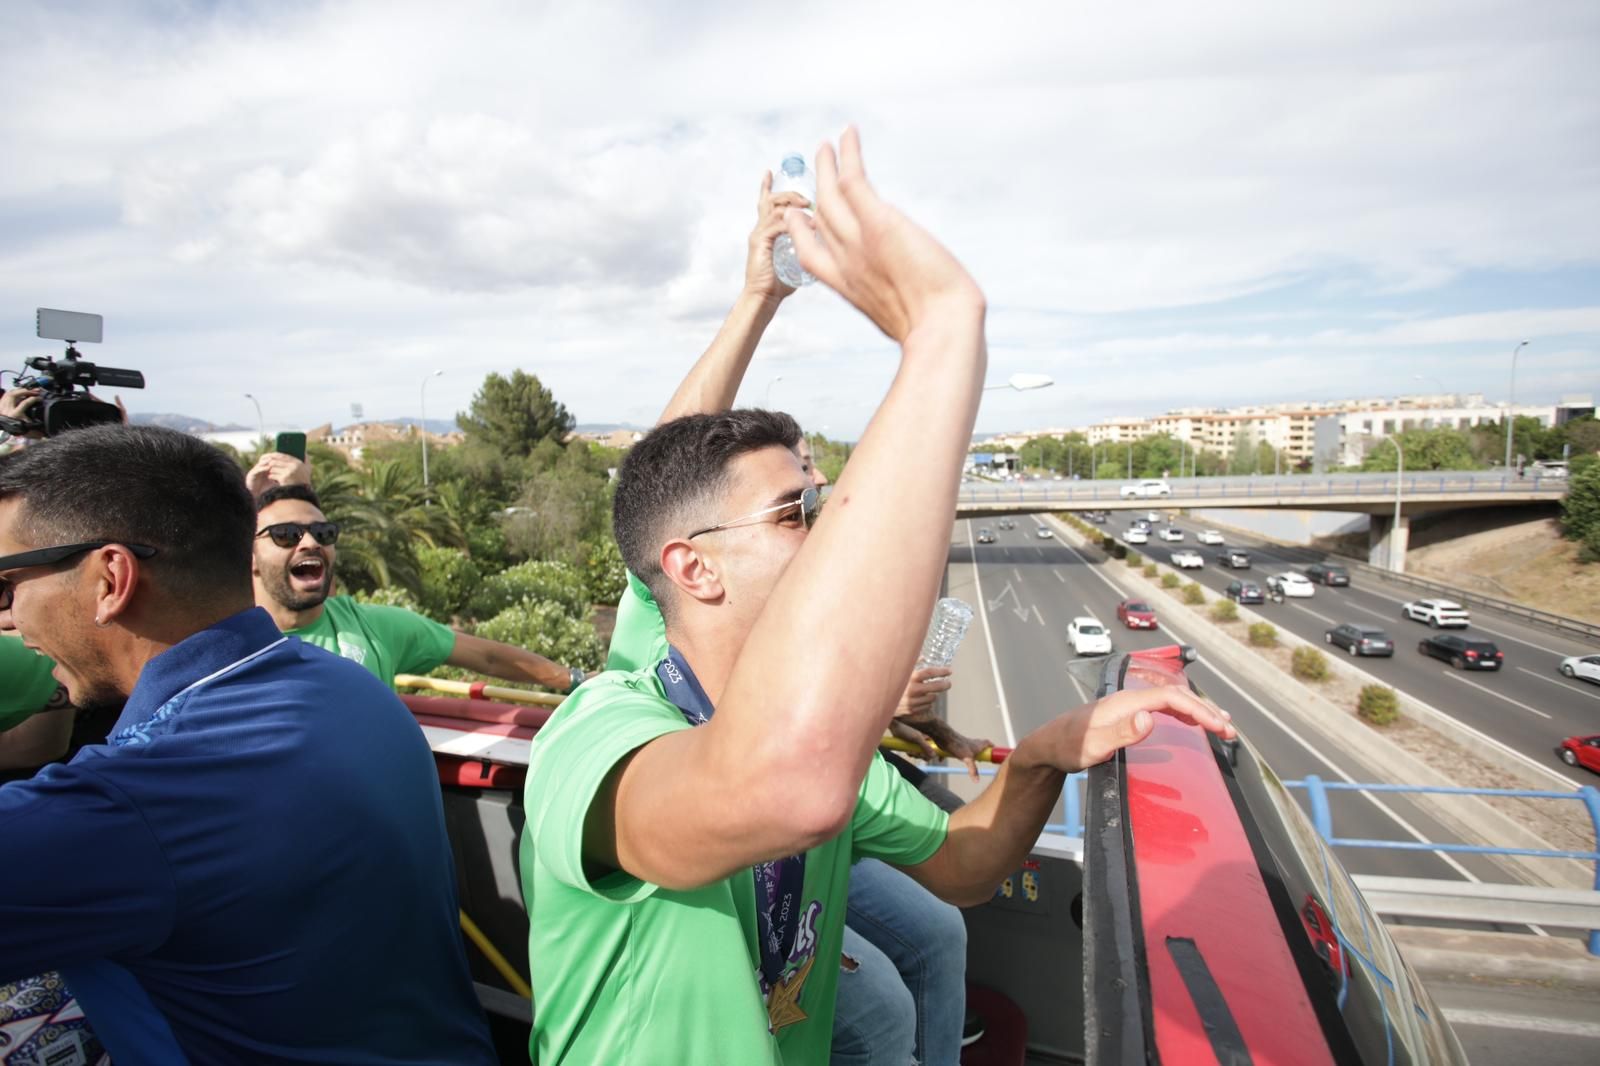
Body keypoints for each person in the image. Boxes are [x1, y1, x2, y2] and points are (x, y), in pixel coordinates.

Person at [519, 129, 1234, 1065]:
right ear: (693, 570)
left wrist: (1045, 757)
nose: (825, 535)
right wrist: (937, 337)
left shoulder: (830, 751)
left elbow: (967, 867)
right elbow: (777, 773)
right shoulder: (599, 736)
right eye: (795, 513)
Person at [608, 169, 983, 1063]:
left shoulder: (799, 613)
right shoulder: (651, 630)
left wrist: (932, 723)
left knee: (935, 939)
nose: (819, 503)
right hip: (725, 857)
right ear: (692, 564)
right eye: (793, 504)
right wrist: (758, 300)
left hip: (802, 851)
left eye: (815, 488)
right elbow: (666, 474)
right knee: (883, 1007)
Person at [0, 423, 496, 1064]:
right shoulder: (355, 688)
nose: (8, 618)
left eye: (8, 586)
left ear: (110, 580)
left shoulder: (136, 797)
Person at [253, 482, 588, 692]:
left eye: (323, 533)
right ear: (248, 555)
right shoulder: (228, 646)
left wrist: (577, 680)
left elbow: (487, 657)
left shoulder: (372, 628)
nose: (310, 542)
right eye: (286, 534)